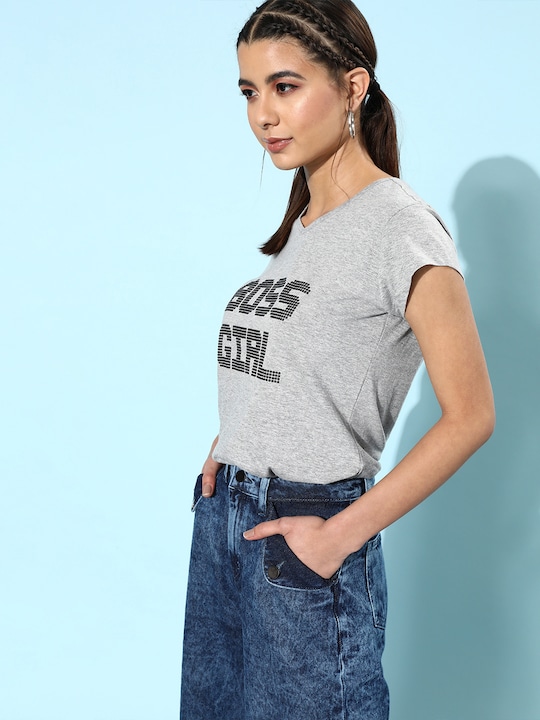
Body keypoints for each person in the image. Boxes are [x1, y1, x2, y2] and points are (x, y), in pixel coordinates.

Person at [180, 1, 495, 718]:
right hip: (225, 526)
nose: (263, 114)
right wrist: (231, 443)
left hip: (306, 535)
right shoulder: (304, 225)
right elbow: (298, 366)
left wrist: (338, 538)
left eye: (285, 87)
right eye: (249, 91)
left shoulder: (400, 228)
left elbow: (472, 415)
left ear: (353, 88)